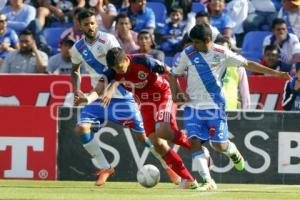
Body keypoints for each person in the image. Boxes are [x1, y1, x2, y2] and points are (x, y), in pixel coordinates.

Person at [169, 24, 290, 191]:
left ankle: (232, 151)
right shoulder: (187, 54)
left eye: (197, 42)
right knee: (194, 142)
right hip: (193, 107)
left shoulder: (222, 53)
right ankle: (207, 181)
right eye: (192, 42)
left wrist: (276, 74)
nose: (193, 46)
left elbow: (248, 64)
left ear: (208, 40)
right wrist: (177, 93)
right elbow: (173, 74)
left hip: (215, 106)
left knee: (219, 145)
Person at [70, 8, 179, 187]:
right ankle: (105, 167)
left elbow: (122, 65)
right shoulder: (77, 48)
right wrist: (77, 90)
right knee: (82, 128)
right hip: (98, 96)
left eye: (92, 23)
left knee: (143, 137)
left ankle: (168, 165)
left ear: (96, 23)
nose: (90, 27)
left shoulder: (108, 39)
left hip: (121, 96)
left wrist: (112, 88)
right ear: (79, 26)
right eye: (86, 24)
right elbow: (75, 71)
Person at [104, 47, 202, 189]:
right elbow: (104, 83)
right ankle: (189, 180)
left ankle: (197, 148)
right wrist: (99, 93)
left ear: (126, 59)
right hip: (145, 104)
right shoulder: (114, 71)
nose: (119, 71)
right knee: (157, 144)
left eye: (120, 67)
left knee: (165, 131)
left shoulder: (143, 60)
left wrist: (178, 92)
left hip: (163, 95)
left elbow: (169, 72)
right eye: (115, 69)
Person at [215, 37, 250, 110]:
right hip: (210, 111)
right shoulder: (206, 67)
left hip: (231, 111)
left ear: (229, 51)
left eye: (224, 49)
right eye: (218, 49)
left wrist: (246, 112)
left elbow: (245, 93)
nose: (221, 52)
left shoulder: (238, 67)